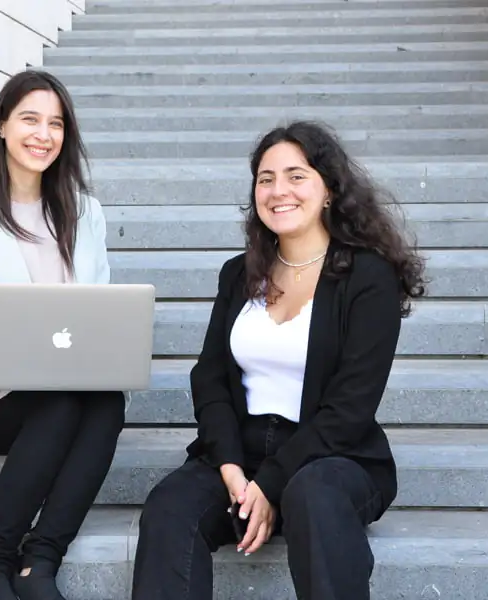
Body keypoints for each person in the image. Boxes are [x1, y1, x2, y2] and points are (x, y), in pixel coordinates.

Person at [131, 120, 427, 600]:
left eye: (296, 175)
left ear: (329, 189)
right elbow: (209, 378)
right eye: (265, 178)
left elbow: (350, 407)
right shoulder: (239, 273)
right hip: (239, 453)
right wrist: (229, 466)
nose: (277, 190)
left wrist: (270, 483)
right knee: (169, 506)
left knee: (314, 495)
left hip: (335, 458)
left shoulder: (367, 278)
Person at [0, 70, 125, 600]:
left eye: (56, 123)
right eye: (30, 119)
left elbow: (97, 311)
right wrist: (23, 359)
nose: (43, 134)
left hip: (65, 383)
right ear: (2, 127)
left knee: (107, 402)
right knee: (59, 400)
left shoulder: (86, 213)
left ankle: (41, 563)